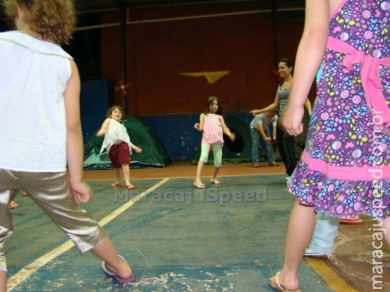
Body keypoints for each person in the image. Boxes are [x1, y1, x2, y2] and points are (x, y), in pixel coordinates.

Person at [0, 1, 135, 290]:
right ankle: (120, 267)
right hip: (43, 165)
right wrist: (77, 179)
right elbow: (72, 127)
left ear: (20, 11)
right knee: (78, 224)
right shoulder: (66, 63)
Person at [270, 0, 390, 291]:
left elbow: (315, 36)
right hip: (382, 94)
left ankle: (289, 275)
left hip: (343, 97)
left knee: (310, 192)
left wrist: (297, 103)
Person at [250, 59, 312, 179]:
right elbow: (275, 104)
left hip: (293, 118)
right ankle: (290, 171)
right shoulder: (280, 85)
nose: (280, 70)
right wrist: (259, 110)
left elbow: (306, 100)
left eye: (283, 67)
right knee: (282, 147)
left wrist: (310, 114)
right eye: (279, 68)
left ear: (290, 68)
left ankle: (295, 173)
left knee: (287, 140)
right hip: (281, 119)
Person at [193, 96, 235, 189]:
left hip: (217, 140)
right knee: (203, 157)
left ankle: (213, 177)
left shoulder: (219, 117)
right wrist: (197, 126)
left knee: (218, 162)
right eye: (212, 104)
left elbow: (225, 128)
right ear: (209, 105)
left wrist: (230, 134)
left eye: (216, 104)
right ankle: (197, 180)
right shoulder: (203, 115)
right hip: (206, 140)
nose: (214, 106)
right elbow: (201, 128)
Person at [97, 105, 142, 190]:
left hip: (123, 146)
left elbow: (127, 140)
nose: (118, 113)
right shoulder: (109, 120)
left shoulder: (123, 127)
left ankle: (128, 182)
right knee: (116, 166)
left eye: (119, 112)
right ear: (110, 115)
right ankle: (119, 181)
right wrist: (102, 131)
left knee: (125, 163)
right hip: (112, 148)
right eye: (115, 111)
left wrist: (135, 147)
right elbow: (104, 127)